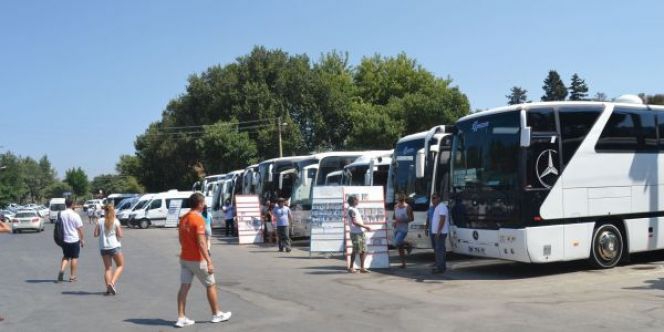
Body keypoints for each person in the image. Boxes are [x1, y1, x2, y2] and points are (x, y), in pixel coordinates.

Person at [175, 192, 231, 328]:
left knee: (184, 286)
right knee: (210, 285)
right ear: (200, 204)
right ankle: (216, 314)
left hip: (185, 258)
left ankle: (181, 317)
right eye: (204, 202)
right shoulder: (198, 219)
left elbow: (181, 239)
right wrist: (209, 261)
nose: (205, 204)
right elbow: (201, 243)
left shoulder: (183, 218)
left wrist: (186, 249)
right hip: (197, 259)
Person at [93, 205, 124, 295]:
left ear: (104, 211)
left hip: (103, 247)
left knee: (107, 269)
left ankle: (108, 288)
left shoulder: (100, 221)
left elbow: (95, 234)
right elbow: (120, 235)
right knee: (120, 265)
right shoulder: (115, 221)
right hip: (114, 246)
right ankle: (112, 283)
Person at [58, 198, 84, 282]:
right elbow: (80, 229)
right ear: (72, 204)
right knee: (74, 257)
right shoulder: (75, 215)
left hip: (64, 239)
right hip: (74, 239)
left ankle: (62, 270)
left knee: (66, 256)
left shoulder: (61, 214)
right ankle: (72, 276)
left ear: (65, 204)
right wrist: (82, 239)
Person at [347, 195, 371, 273]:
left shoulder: (355, 209)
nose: (358, 201)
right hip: (355, 233)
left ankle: (362, 268)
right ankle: (351, 267)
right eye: (357, 200)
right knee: (356, 250)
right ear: (353, 201)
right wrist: (366, 226)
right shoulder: (351, 210)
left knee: (363, 250)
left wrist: (363, 228)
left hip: (360, 232)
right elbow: (354, 222)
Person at [393, 194, 414, 268]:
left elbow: (411, 218)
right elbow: (394, 217)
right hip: (396, 228)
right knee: (400, 247)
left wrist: (401, 220)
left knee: (396, 242)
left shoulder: (408, 207)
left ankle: (409, 244)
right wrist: (394, 222)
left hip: (403, 229)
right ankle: (403, 263)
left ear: (402, 200)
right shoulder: (395, 207)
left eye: (398, 200)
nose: (397, 202)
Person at [431, 193, 449, 274]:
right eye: (432, 198)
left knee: (439, 250)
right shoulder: (437, 207)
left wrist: (438, 231)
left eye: (434, 198)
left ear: (439, 198)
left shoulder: (442, 206)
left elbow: (442, 219)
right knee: (439, 250)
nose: (433, 200)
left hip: (440, 233)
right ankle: (441, 266)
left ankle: (440, 268)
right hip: (437, 233)